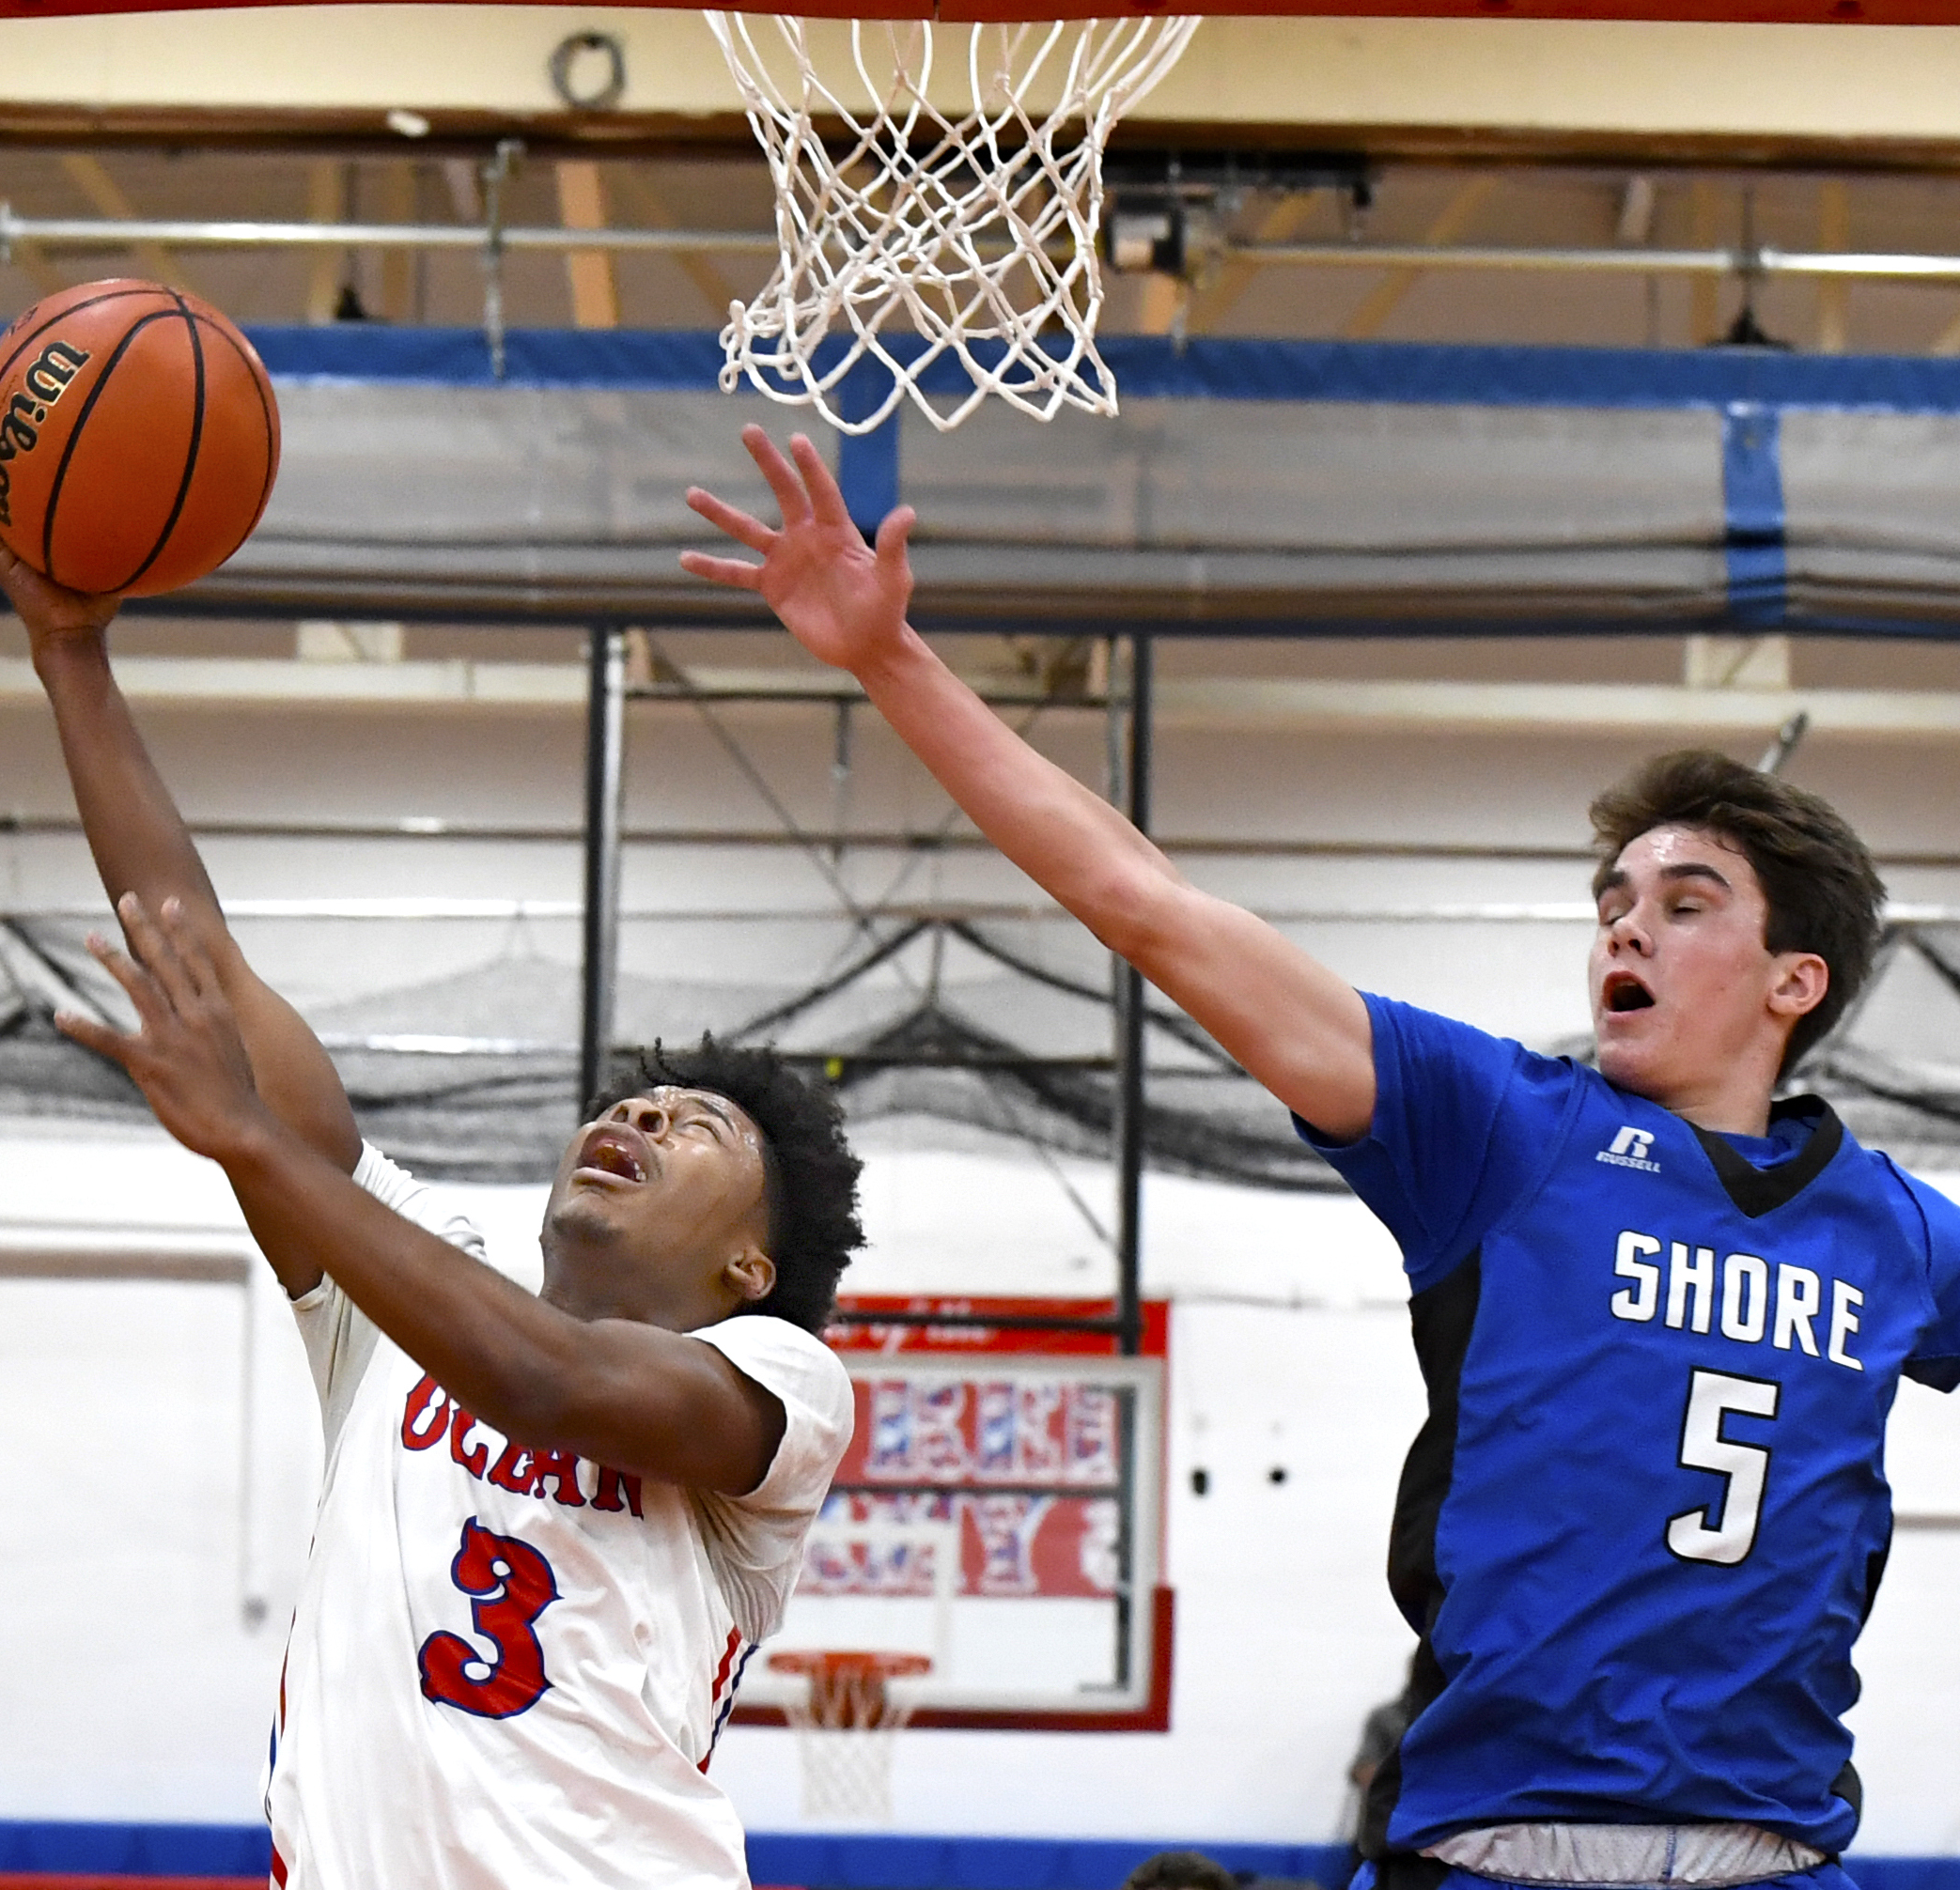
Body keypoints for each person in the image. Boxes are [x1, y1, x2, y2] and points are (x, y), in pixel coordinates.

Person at [682, 427, 1960, 1890]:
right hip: (1493, 1843)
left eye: (1684, 902)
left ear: (1795, 982)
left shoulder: (1899, 1235)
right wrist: (892, 661)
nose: (1623, 924)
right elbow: (1147, 906)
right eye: (1614, 896)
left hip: (1777, 1851)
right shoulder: (1503, 1130)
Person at [0, 469, 864, 1890]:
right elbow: (204, 956)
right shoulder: (405, 1277)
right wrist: (71, 654)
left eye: (697, 1127)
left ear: (749, 1266)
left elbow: (550, 1383)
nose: (640, 1109)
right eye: (638, 1094)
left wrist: (251, 1142)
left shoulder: (781, 1384)